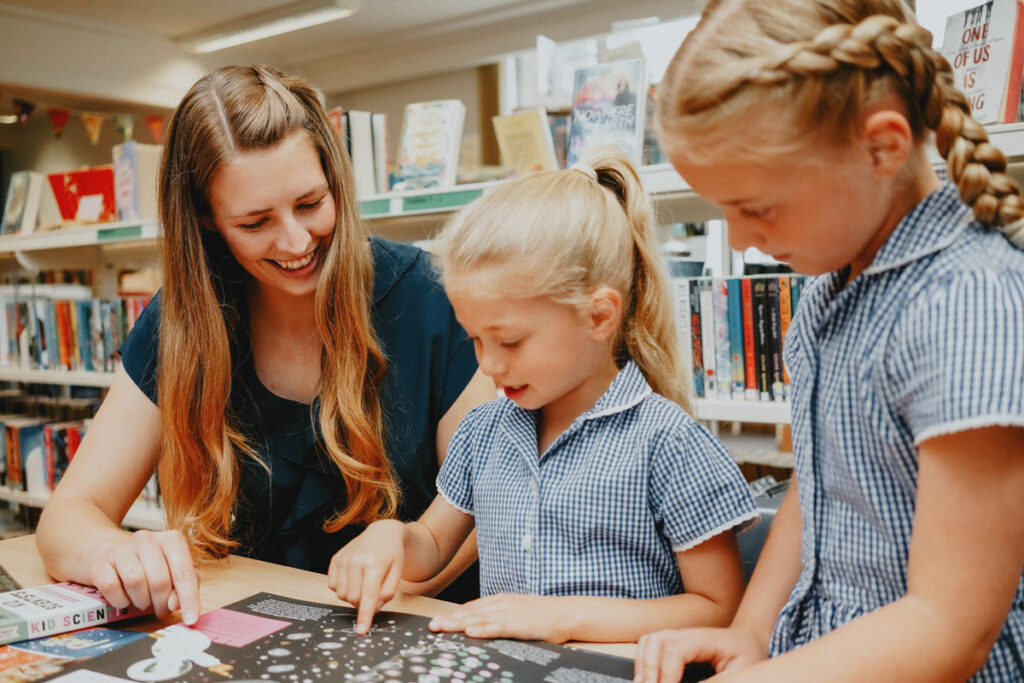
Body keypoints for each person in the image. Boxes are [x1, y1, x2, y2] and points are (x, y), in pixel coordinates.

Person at [634, 1, 1024, 681]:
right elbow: (815, 491)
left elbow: (949, 622)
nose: (742, 237)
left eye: (757, 207)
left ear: (883, 146)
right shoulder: (824, 295)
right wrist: (751, 631)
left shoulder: (968, 301)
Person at [35, 64, 495, 626]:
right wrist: (114, 553)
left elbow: (485, 512)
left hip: (418, 628)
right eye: (255, 223)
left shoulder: (431, 302)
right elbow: (68, 516)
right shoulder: (180, 324)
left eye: (310, 204)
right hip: (252, 631)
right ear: (206, 220)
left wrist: (405, 568)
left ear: (336, 178)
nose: (297, 242)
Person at [328, 145, 759, 644]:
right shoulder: (483, 432)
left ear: (599, 316)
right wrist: (391, 537)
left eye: (509, 341)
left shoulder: (669, 444)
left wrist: (561, 618)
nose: (488, 365)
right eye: (475, 340)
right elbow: (430, 545)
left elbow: (718, 609)